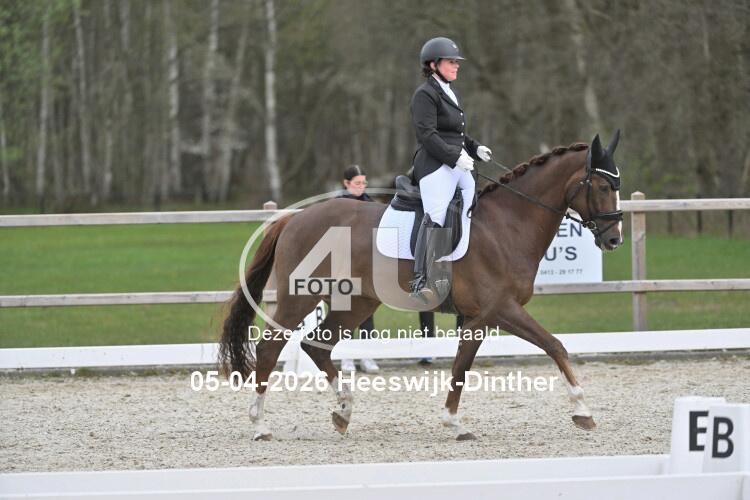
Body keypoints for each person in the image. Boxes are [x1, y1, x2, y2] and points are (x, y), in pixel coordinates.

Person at [409, 37, 492, 300]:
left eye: (457, 62)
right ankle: (421, 279)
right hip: (434, 164)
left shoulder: (450, 91)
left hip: (457, 162)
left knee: (473, 205)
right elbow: (427, 134)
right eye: (451, 62)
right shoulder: (424, 94)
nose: (457, 66)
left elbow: (456, 133)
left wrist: (475, 148)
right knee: (436, 214)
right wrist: (454, 157)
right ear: (433, 65)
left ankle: (467, 266)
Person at [337, 165, 380, 374]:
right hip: (342, 263)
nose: (361, 187)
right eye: (357, 183)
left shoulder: (370, 204)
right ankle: (345, 356)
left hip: (365, 265)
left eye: (364, 183)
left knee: (366, 309)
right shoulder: (337, 206)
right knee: (343, 308)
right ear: (346, 183)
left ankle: (367, 355)